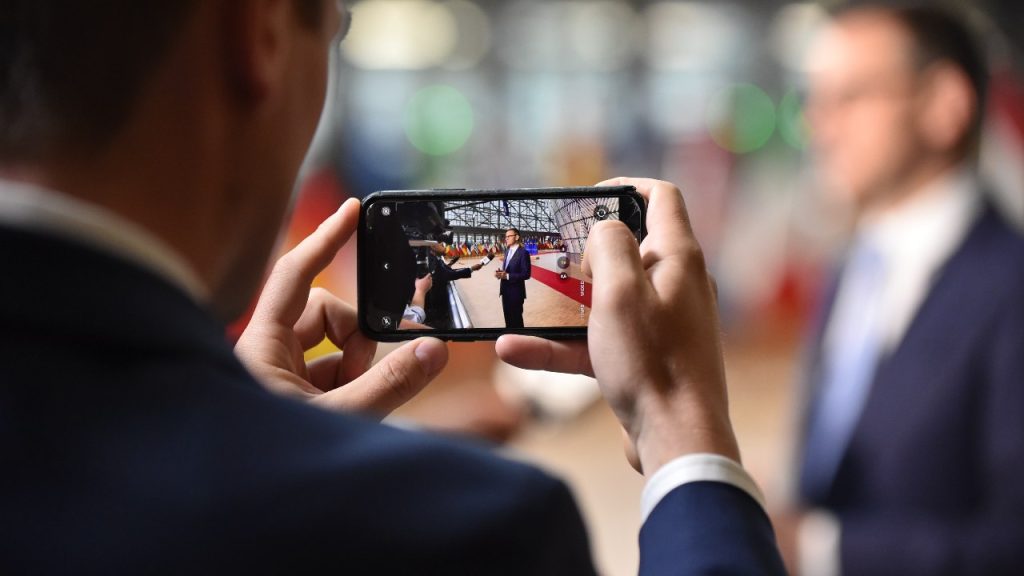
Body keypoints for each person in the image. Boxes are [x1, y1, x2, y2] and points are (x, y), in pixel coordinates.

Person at [0, 1, 785, 574]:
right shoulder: (466, 531)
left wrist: (254, 433)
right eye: (337, 29)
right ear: (262, 34)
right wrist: (685, 432)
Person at [780, 4, 1024, 575]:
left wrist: (820, 548)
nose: (819, 125)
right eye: (813, 100)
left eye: (850, 97)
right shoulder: (851, 269)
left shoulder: (1011, 286)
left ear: (946, 105)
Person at [496, 227, 531, 328]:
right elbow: (507, 270)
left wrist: (507, 275)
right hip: (505, 291)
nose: (506, 238)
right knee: (508, 321)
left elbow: (526, 274)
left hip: (515, 294)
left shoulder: (523, 253)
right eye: (505, 237)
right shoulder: (507, 251)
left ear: (516, 237)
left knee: (516, 322)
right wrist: (500, 273)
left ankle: (521, 342)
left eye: (509, 236)